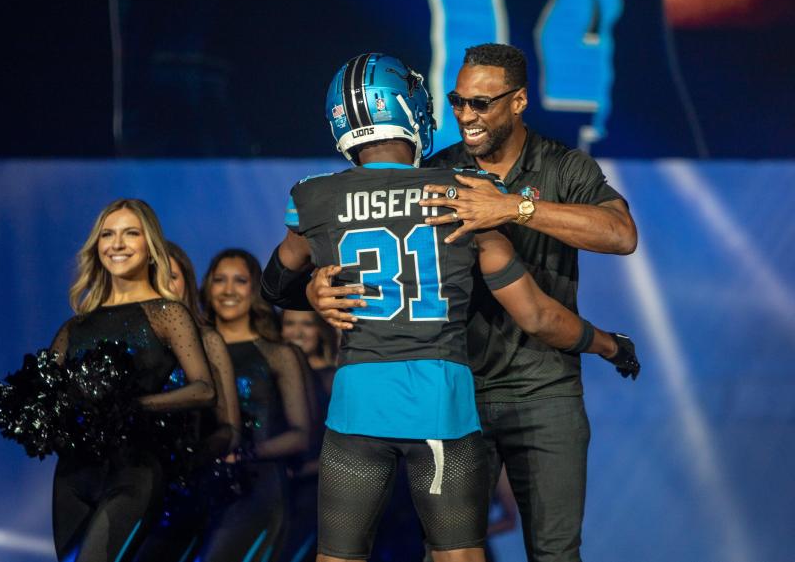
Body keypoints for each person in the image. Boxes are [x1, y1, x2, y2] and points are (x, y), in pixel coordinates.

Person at [262, 53, 636, 562]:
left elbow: (621, 235)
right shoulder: (447, 180)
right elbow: (536, 314)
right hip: (451, 398)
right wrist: (608, 345)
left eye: (479, 102)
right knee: (454, 552)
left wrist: (513, 206)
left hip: (500, 391)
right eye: (458, 101)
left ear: (519, 101)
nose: (463, 113)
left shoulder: (563, 166)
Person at [49, 198, 216, 562]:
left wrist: (135, 406)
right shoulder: (74, 327)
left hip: (135, 470)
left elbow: (204, 389)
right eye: (108, 234)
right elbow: (47, 396)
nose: (117, 244)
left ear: (150, 244)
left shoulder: (168, 314)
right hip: (74, 476)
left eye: (130, 234)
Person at [196, 248, 312, 562]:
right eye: (220, 280)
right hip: (196, 490)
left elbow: (301, 434)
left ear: (254, 289)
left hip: (256, 489)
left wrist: (243, 454)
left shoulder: (277, 354)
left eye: (240, 281)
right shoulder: (193, 355)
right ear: (207, 287)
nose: (228, 290)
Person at [136, 241, 242, 560]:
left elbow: (230, 428)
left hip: (182, 491)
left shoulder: (208, 341)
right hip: (128, 483)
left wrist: (193, 459)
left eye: (173, 276)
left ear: (189, 282)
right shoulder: (129, 345)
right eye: (153, 275)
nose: (164, 285)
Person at [280, 309, 338, 562]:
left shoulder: (335, 378)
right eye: (290, 323)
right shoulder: (273, 375)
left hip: (316, 489)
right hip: (275, 486)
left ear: (321, 330)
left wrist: (302, 471)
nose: (298, 332)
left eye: (307, 324)